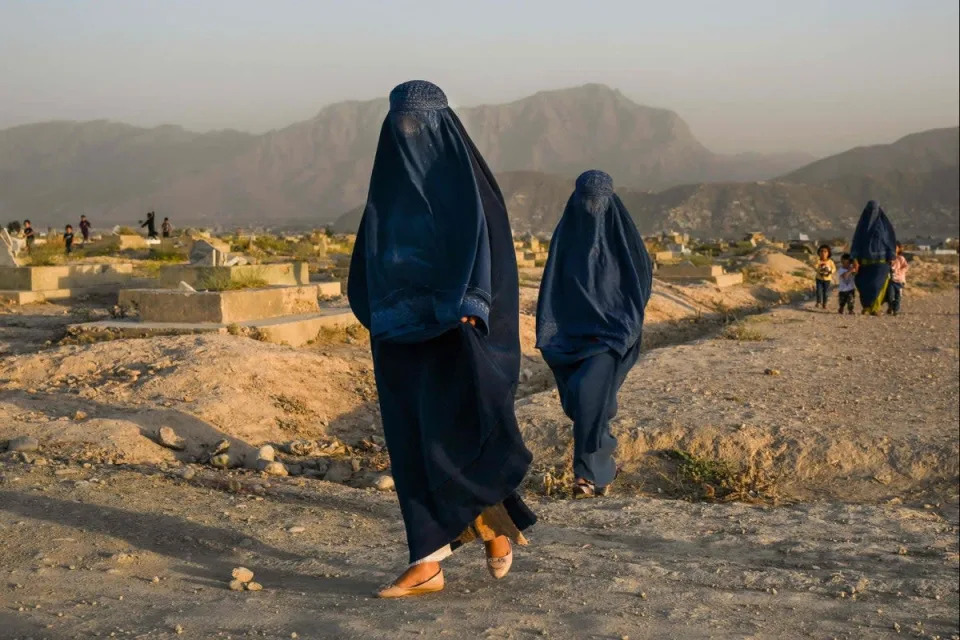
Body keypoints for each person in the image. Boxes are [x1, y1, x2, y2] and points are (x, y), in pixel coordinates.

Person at [347, 80, 535, 599]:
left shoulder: (469, 187)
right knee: (413, 443)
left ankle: (489, 528)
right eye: (400, 123)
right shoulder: (386, 189)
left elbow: (487, 251)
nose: (409, 133)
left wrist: (472, 307)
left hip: (457, 328)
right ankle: (429, 560)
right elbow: (369, 256)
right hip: (398, 333)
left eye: (419, 122)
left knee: (456, 436)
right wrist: (379, 308)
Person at [535, 170, 653, 498]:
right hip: (570, 335)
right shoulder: (566, 240)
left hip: (611, 335)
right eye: (587, 200)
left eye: (598, 201)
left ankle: (583, 476)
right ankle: (603, 463)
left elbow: (641, 281)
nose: (592, 208)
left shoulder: (624, 241)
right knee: (585, 403)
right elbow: (553, 288)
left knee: (589, 394)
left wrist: (627, 321)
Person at [850, 200, 897, 316]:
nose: (872, 213)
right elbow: (856, 242)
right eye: (870, 210)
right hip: (865, 262)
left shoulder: (884, 226)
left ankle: (875, 308)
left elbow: (890, 241)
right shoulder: (862, 227)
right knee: (863, 285)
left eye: (874, 210)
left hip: (881, 261)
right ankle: (866, 307)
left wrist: (891, 255)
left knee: (878, 285)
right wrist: (855, 259)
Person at [886, 242, 909, 316]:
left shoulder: (901, 258)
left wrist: (899, 271)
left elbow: (906, 267)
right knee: (890, 296)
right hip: (891, 280)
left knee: (898, 297)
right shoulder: (888, 258)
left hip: (899, 281)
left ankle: (895, 310)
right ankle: (891, 307)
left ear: (899, 249)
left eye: (895, 247)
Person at [814, 244, 836, 309]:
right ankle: (818, 302)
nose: (823, 253)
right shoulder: (818, 261)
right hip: (819, 279)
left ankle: (824, 303)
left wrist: (830, 271)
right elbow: (815, 267)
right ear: (819, 253)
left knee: (825, 292)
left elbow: (834, 268)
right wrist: (820, 270)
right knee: (818, 291)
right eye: (821, 251)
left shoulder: (830, 262)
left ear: (828, 253)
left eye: (825, 251)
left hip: (827, 280)